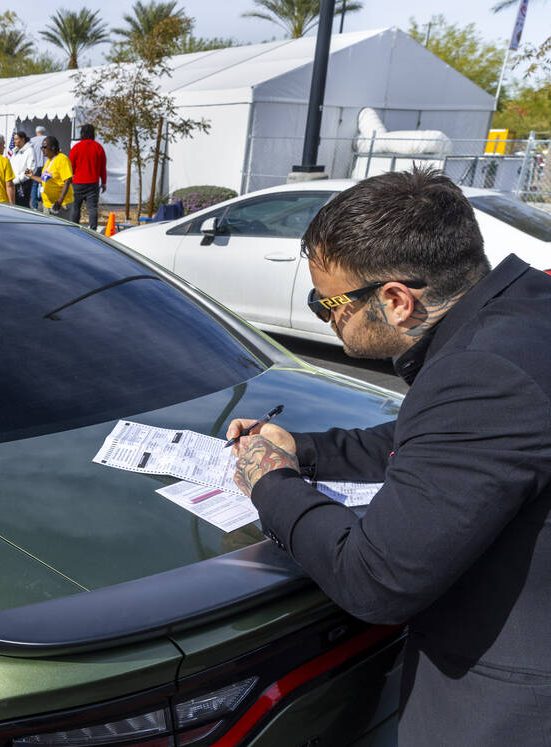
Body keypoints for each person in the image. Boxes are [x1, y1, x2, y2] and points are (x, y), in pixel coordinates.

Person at [225, 168, 551, 745]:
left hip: (506, 705)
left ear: (397, 301)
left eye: (327, 303)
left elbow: (379, 580)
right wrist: (302, 450)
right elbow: (428, 442)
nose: (327, 318)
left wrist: (270, 483)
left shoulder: (481, 374)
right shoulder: (523, 312)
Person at [67, 123, 106, 230]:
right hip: (93, 183)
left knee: (76, 207)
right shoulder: (98, 147)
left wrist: (70, 179)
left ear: (82, 133)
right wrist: (103, 182)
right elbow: (103, 166)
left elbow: (71, 166)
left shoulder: (76, 147)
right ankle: (93, 229)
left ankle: (74, 228)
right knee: (92, 208)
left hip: (78, 182)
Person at [26, 135, 72, 214]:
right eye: (42, 148)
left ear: (53, 147)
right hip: (47, 204)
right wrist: (32, 176)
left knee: (62, 226)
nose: (42, 150)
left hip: (60, 204)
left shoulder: (62, 159)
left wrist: (60, 200)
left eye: (45, 147)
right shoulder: (48, 161)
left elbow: (67, 180)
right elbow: (43, 180)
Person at [9, 131, 35, 208]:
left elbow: (30, 170)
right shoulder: (15, 152)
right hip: (14, 182)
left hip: (23, 184)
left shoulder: (29, 151)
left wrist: (17, 180)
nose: (14, 141)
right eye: (14, 139)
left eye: (17, 139)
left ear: (23, 139)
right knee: (15, 205)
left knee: (22, 206)